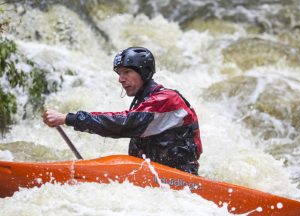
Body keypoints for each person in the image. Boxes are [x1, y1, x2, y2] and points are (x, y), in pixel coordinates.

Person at [43, 47, 203, 174]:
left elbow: (124, 123)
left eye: (127, 72)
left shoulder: (167, 99)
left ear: (144, 73)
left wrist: (69, 118)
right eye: (119, 73)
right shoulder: (143, 102)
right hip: (155, 176)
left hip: (180, 178)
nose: (121, 79)